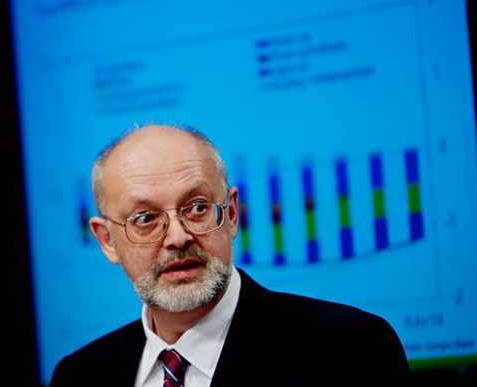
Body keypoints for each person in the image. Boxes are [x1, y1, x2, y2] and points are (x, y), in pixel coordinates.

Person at [50, 123, 410, 387]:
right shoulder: (79, 376)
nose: (178, 237)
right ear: (107, 240)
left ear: (232, 214)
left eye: (197, 208)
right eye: (145, 219)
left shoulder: (351, 349)